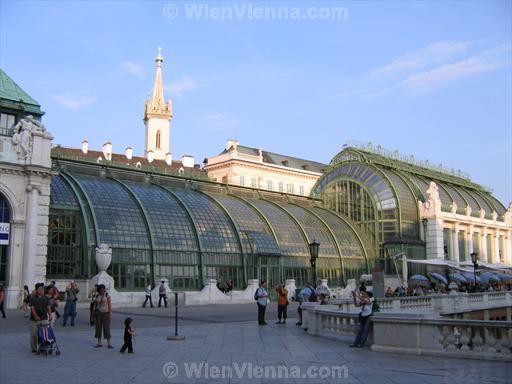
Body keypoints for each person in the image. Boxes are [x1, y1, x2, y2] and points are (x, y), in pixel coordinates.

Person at [29, 283, 50, 353]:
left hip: (44, 318)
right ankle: (34, 348)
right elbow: (32, 308)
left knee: (44, 334)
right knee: (34, 334)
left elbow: (48, 307)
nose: (41, 290)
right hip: (34, 319)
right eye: (40, 289)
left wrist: (50, 315)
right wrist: (36, 316)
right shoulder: (33, 298)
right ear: (36, 290)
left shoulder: (46, 298)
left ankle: (42, 346)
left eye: (42, 289)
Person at [92, 284, 113, 348]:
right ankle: (99, 343)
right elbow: (94, 305)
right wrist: (93, 315)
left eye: (103, 289)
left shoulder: (107, 295)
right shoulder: (97, 295)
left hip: (105, 313)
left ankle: (109, 343)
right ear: (99, 289)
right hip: (98, 313)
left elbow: (109, 305)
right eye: (101, 289)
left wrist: (110, 314)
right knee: (98, 328)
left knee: (106, 328)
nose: (103, 290)